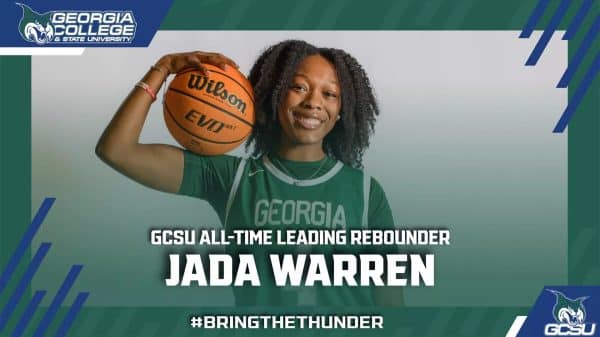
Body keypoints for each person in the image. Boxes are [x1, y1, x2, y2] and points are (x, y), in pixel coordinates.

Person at [96, 39, 402, 306]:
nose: (313, 103)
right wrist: (162, 68)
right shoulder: (231, 178)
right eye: (299, 87)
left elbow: (390, 301)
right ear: (275, 94)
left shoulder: (364, 190)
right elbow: (117, 150)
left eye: (330, 94)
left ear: (342, 111)